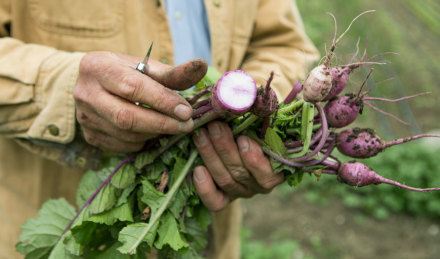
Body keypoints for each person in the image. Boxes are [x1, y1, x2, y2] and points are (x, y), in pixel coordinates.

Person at [0, 0, 318, 258]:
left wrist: (254, 114)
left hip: (208, 221)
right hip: (53, 200)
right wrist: (66, 88)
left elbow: (284, 43)